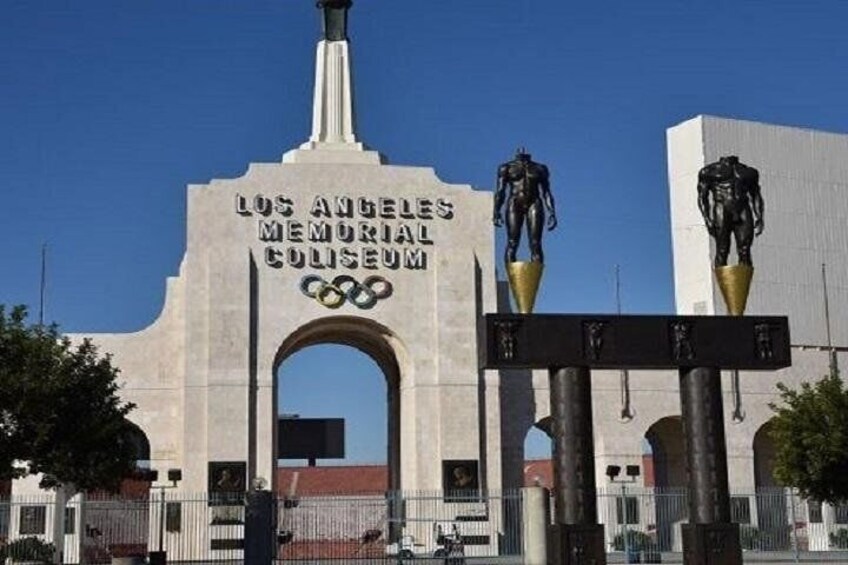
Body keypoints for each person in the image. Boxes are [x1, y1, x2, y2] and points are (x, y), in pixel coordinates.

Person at [697, 155, 764, 267]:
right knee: (722, 249)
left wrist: (760, 216)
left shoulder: (749, 172)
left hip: (743, 208)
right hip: (722, 208)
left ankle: (743, 283)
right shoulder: (709, 171)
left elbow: (756, 195)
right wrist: (707, 218)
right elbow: (702, 197)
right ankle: (722, 283)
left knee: (745, 249)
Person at [493, 148, 557, 265]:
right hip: (515, 202)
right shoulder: (506, 167)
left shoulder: (540, 168)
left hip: (534, 203)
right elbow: (501, 191)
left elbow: (546, 192)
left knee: (535, 244)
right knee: (512, 242)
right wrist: (496, 210)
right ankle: (513, 281)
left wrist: (552, 211)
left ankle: (534, 281)